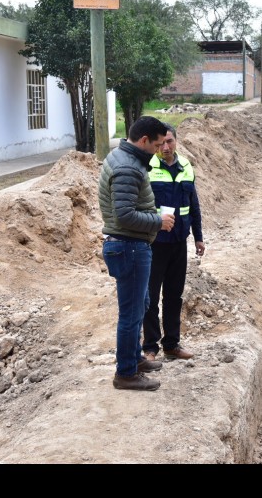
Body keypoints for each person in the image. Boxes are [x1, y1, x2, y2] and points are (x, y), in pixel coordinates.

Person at [98, 116, 176, 391]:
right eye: (156, 145)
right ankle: (126, 373)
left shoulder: (123, 157)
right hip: (129, 247)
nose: (160, 150)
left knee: (140, 305)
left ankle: (134, 358)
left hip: (129, 245)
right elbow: (125, 215)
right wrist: (158, 221)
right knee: (131, 315)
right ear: (143, 140)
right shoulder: (128, 168)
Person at [142, 123, 205, 362]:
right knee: (150, 297)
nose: (166, 147)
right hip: (154, 242)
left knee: (174, 295)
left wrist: (198, 237)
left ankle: (171, 344)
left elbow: (193, 205)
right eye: (162, 143)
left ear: (176, 141)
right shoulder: (148, 167)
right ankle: (150, 348)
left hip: (179, 242)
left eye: (170, 142)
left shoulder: (186, 166)